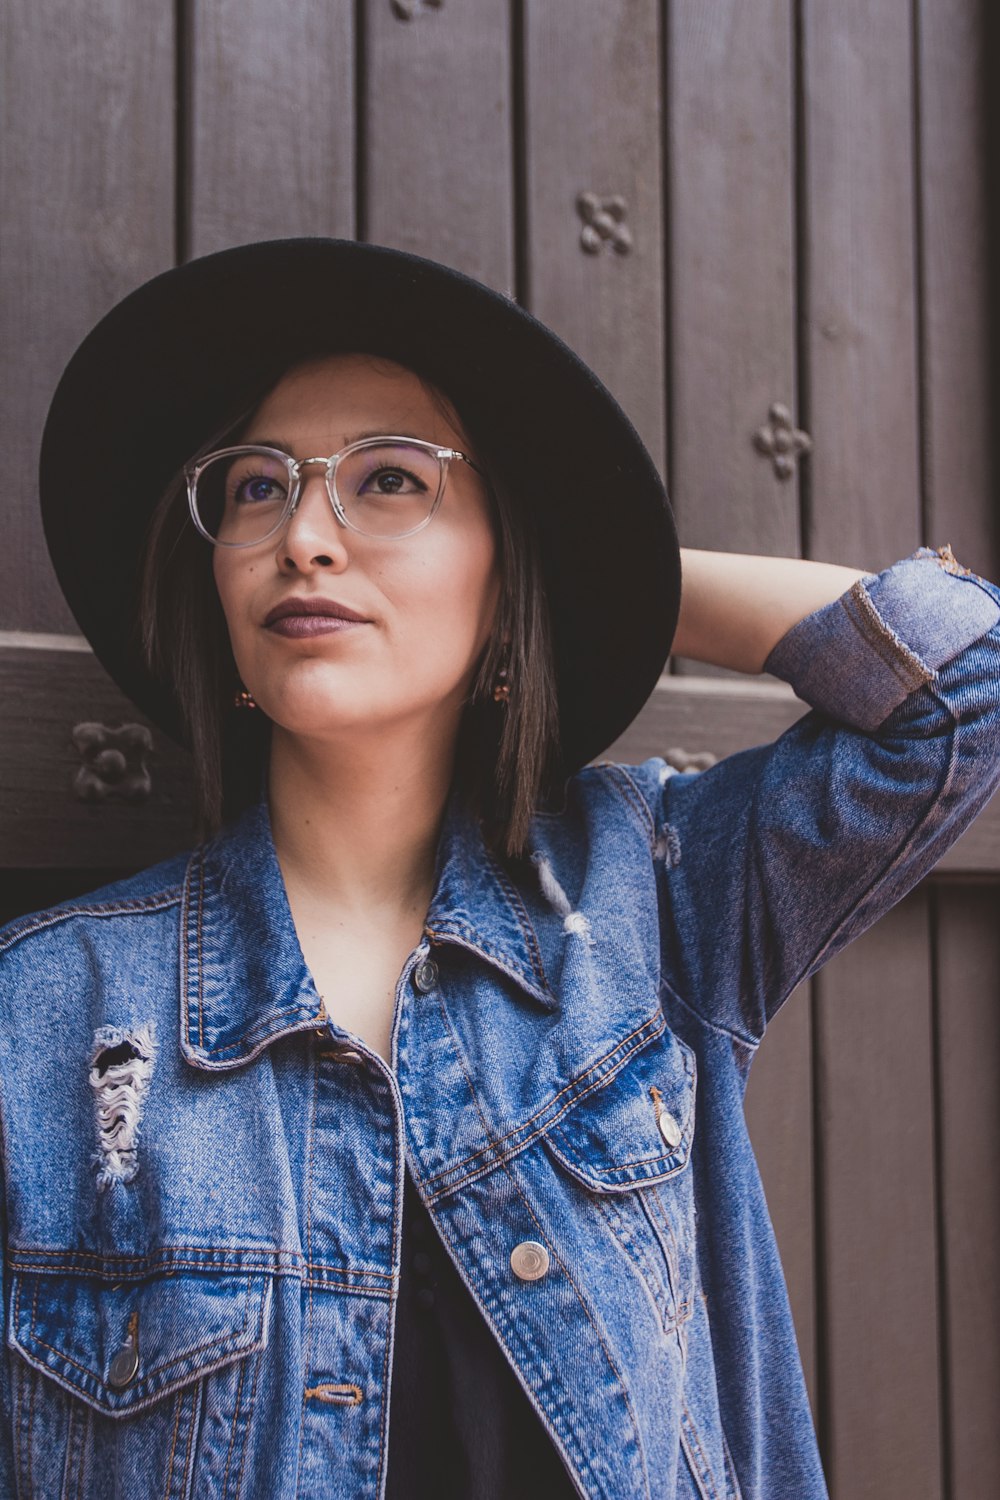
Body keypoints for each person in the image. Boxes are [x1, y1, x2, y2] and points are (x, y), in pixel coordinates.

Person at [1, 238, 998, 1500]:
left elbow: (957, 680)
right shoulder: (44, 1013)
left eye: (390, 481)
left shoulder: (652, 899)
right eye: (256, 488)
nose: (304, 535)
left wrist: (594, 583)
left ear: (503, 565)